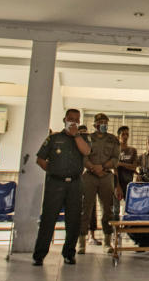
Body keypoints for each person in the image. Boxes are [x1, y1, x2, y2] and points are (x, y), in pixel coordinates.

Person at [32, 109, 90, 266]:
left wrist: (76, 135)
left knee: (73, 221)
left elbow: (86, 151)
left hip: (75, 184)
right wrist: (54, 171)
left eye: (76, 120)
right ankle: (39, 255)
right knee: (48, 219)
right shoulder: (54, 138)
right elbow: (40, 159)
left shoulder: (83, 138)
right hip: (55, 183)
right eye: (70, 119)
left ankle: (69, 254)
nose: (73, 122)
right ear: (64, 119)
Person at [79, 114, 119, 254]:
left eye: (106, 122)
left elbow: (115, 158)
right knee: (86, 209)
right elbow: (83, 157)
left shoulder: (113, 139)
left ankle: (107, 242)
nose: (104, 124)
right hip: (90, 176)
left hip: (106, 176)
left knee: (108, 209)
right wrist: (93, 168)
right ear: (95, 124)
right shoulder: (87, 138)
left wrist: (102, 167)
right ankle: (82, 243)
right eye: (101, 122)